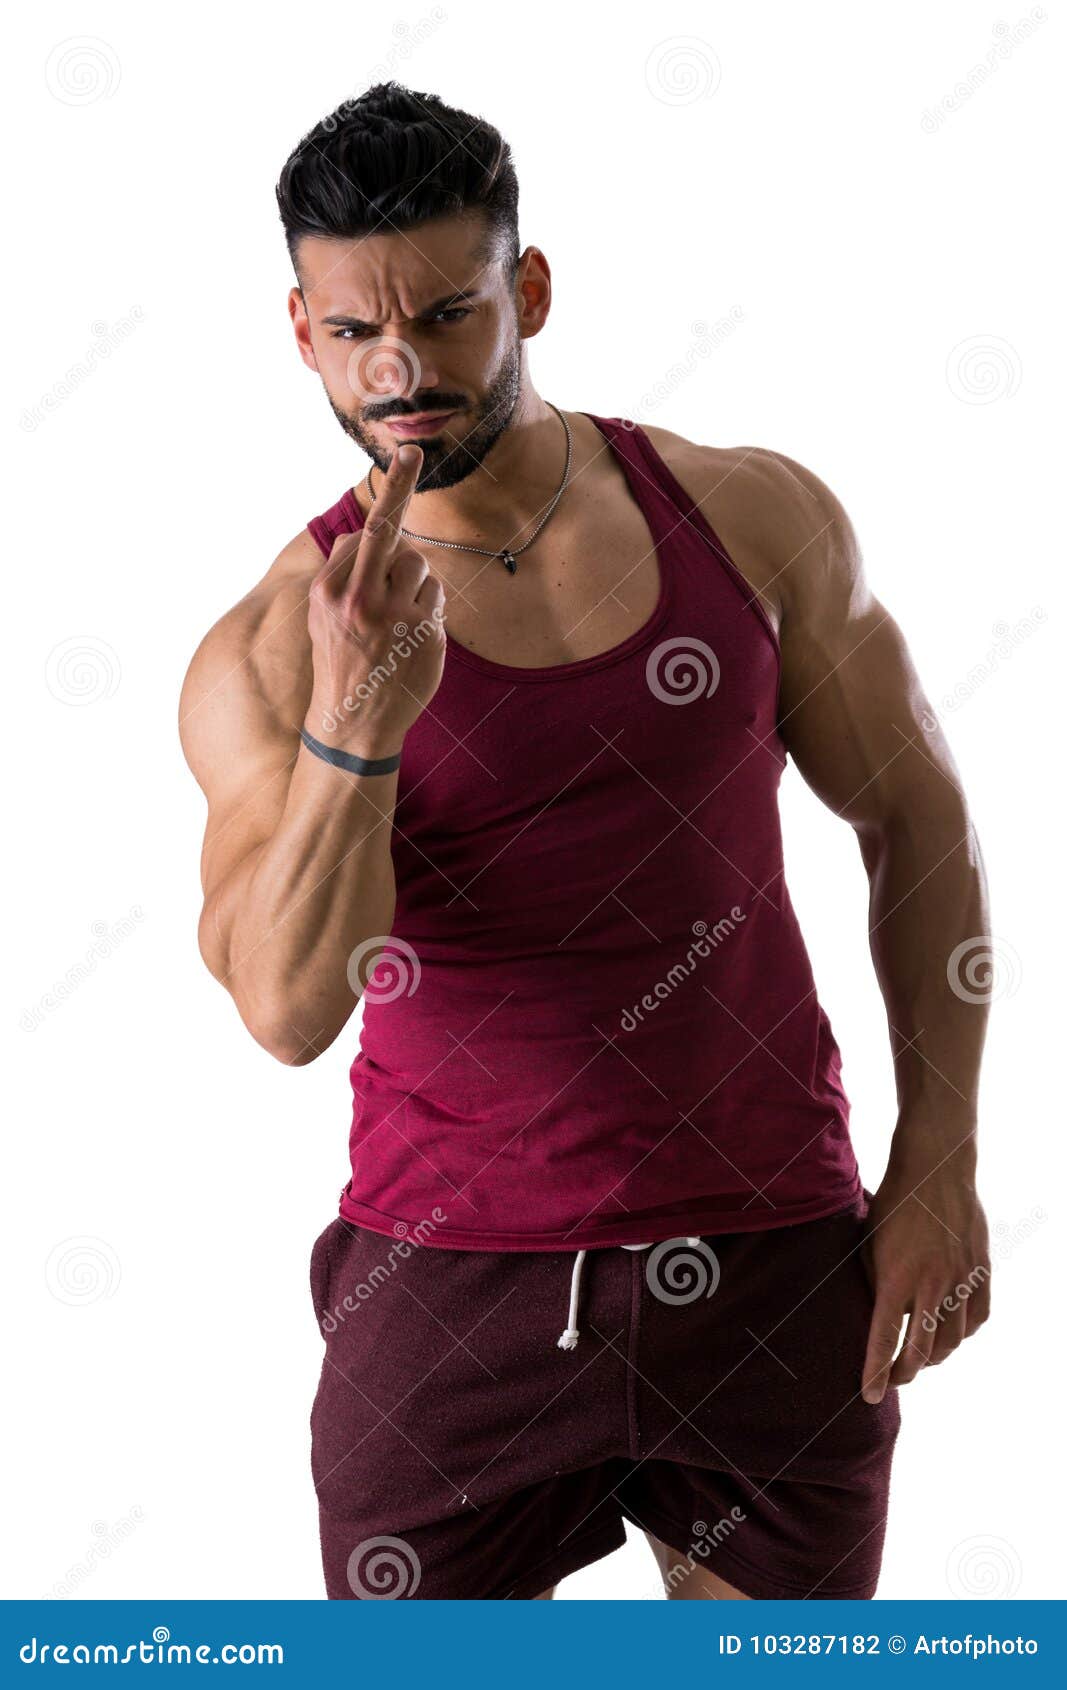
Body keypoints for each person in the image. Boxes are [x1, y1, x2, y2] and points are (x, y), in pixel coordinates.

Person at [179, 83, 991, 1601]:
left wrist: (935, 1159)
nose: (401, 366)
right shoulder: (273, 652)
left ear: (528, 289)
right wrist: (358, 728)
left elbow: (917, 813)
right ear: (301, 330)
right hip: (449, 1290)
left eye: (444, 312)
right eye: (354, 333)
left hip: (770, 1256)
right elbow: (287, 1011)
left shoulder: (751, 519)